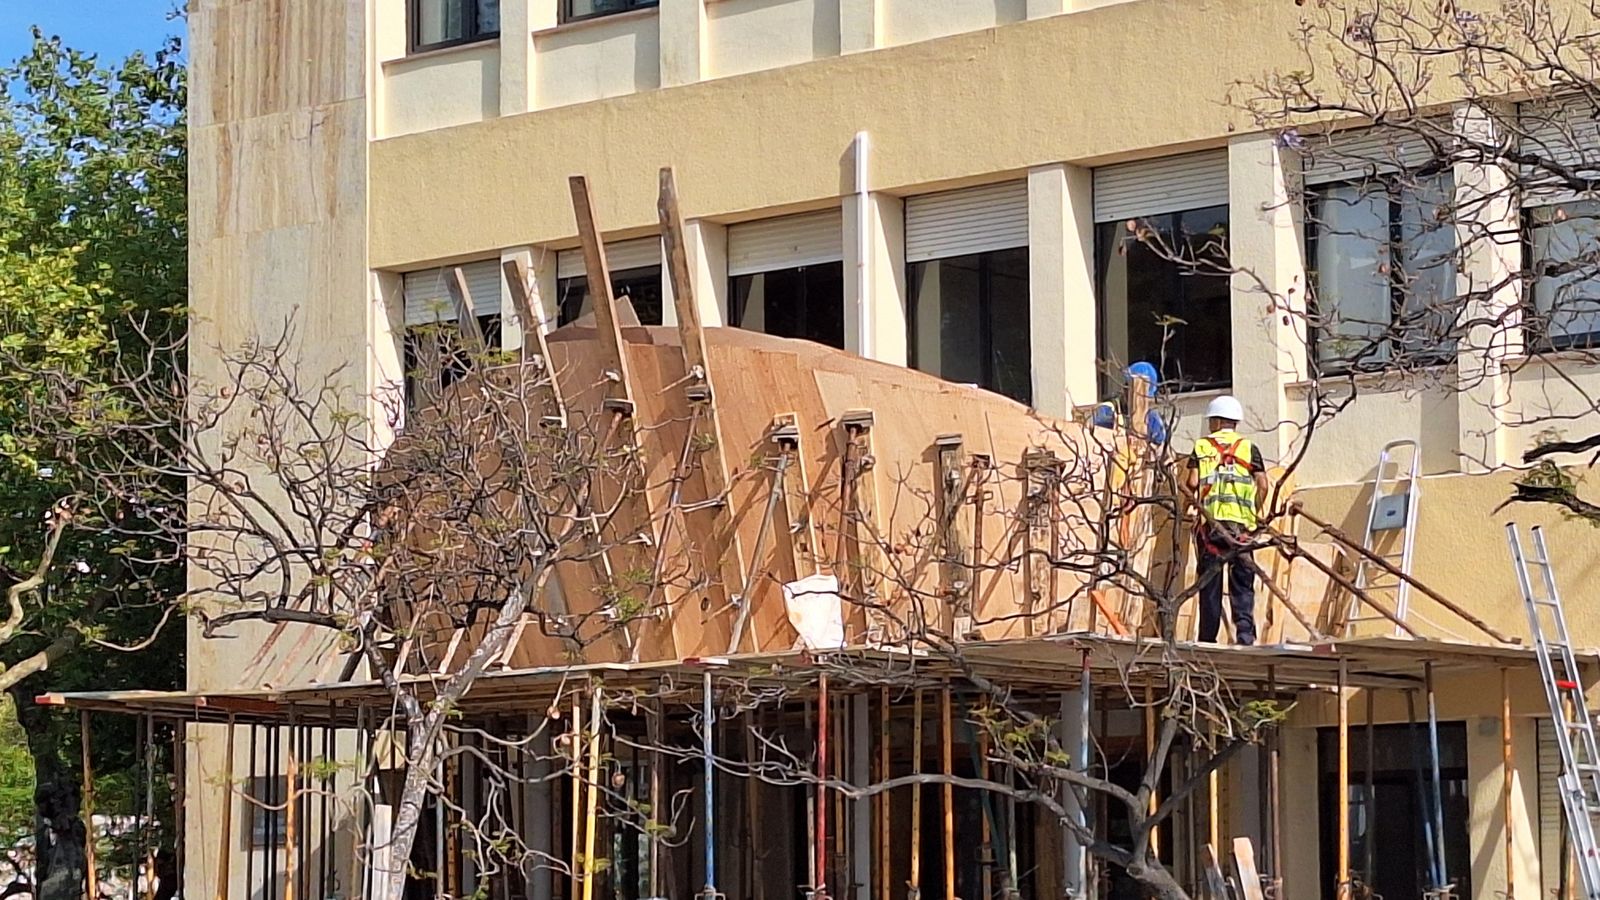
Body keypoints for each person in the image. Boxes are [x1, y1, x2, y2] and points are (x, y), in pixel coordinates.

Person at [1183, 395, 1269, 645]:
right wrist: (1253, 512)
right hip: (1241, 529)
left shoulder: (1202, 447)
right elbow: (1263, 484)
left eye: (1211, 420)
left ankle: (1208, 639)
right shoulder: (1248, 448)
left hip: (1211, 527)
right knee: (1242, 581)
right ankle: (1245, 636)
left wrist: (1186, 506)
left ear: (1218, 421)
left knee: (1210, 584)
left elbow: (1190, 483)